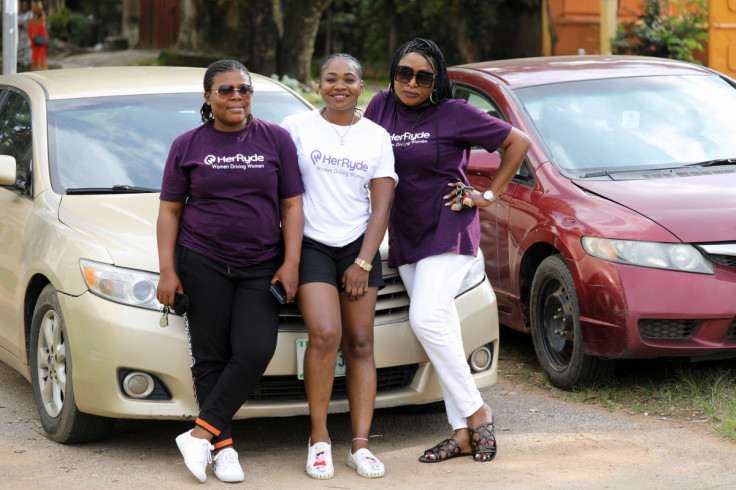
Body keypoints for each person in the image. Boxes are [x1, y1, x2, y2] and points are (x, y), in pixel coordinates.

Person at [365, 38, 530, 463]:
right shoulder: (379, 108)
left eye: (423, 76)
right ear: (393, 73)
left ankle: (477, 412)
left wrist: (487, 196)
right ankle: (461, 432)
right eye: (404, 73)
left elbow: (518, 143)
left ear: (437, 81)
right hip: (406, 232)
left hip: (448, 226)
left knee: (424, 318)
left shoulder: (454, 114)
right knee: (442, 329)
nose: (412, 83)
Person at [157, 59, 304, 483]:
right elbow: (169, 212)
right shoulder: (187, 145)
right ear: (207, 97)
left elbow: (292, 205)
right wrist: (168, 270)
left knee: (255, 349)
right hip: (201, 260)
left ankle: (200, 434)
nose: (236, 96)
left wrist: (290, 262)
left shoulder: (275, 140)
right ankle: (223, 449)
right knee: (210, 357)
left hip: (261, 263)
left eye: (244, 88)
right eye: (225, 90)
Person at [280, 53, 396, 480]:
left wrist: (364, 261)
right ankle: (320, 439)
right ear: (318, 84)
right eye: (331, 79)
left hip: (358, 246)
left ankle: (361, 446)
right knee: (326, 334)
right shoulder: (296, 127)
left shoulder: (377, 136)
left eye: (349, 79)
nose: (339, 86)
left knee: (362, 341)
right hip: (311, 244)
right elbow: (282, 191)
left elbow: (382, 204)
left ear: (361, 86)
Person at [28, 1, 48, 71]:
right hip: (34, 43)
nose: (33, 8)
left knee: (41, 60)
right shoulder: (31, 17)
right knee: (34, 60)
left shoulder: (41, 17)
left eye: (34, 6)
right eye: (32, 7)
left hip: (41, 42)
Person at [17, 1, 33, 73]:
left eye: (25, 6)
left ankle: (29, 73)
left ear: (27, 6)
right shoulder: (18, 15)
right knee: (18, 59)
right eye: (22, 6)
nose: (23, 7)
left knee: (28, 59)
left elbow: (32, 24)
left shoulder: (30, 15)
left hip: (27, 40)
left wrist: (24, 25)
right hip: (19, 40)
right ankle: (17, 74)